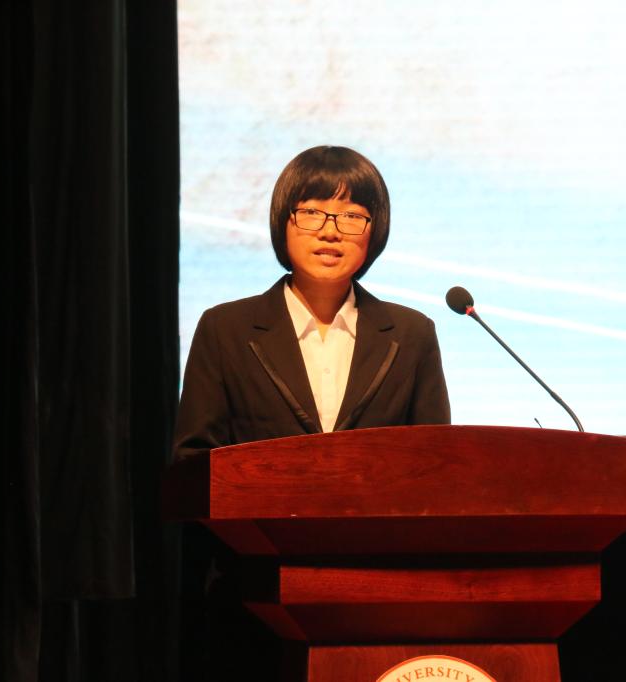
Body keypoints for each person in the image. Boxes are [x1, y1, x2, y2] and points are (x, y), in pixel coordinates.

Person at [173, 145, 450, 678]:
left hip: (377, 599)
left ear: (374, 231)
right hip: (252, 599)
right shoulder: (225, 330)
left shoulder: (412, 335)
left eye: (351, 216)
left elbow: (434, 470)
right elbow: (193, 462)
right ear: (284, 221)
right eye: (313, 213)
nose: (330, 231)